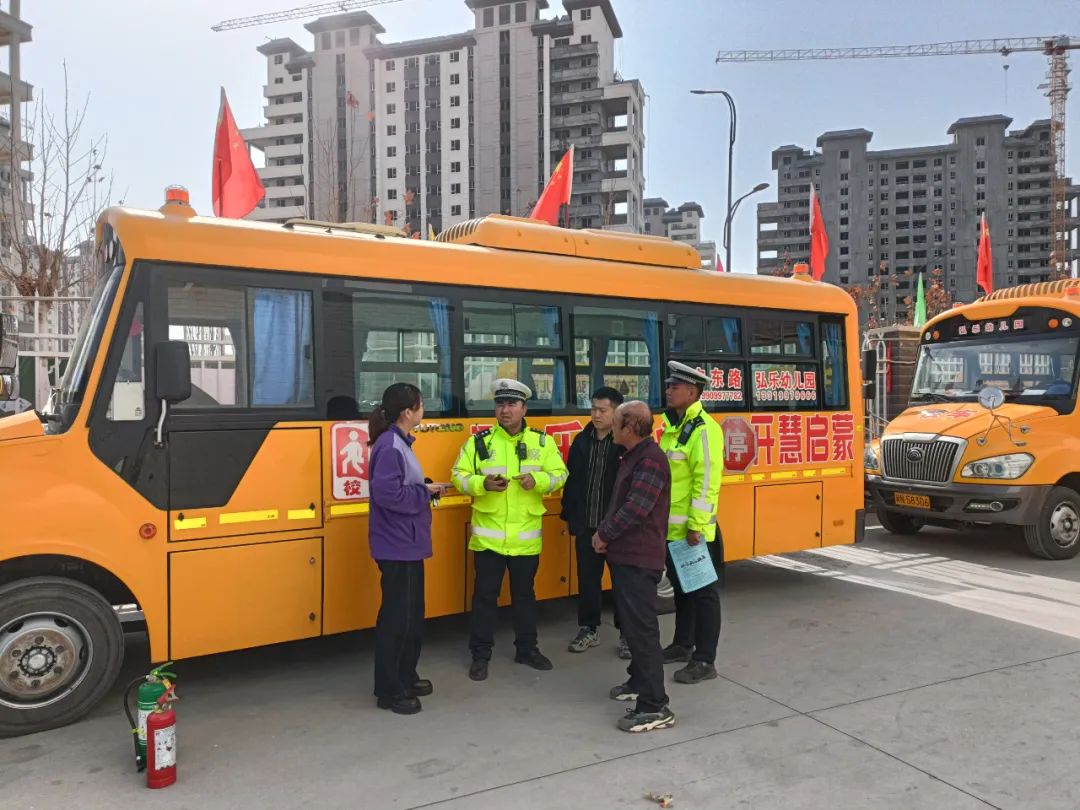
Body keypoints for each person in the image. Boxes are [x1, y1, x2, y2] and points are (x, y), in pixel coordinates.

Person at [452, 378, 568, 681]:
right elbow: (458, 476)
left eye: (512, 404)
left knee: (525, 597)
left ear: (524, 408)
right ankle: (480, 654)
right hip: (488, 539)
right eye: (500, 404)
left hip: (525, 539)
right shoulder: (479, 443)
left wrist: (538, 482)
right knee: (484, 598)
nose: (505, 410)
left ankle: (527, 649)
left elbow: (560, 475)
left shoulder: (541, 443)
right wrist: (481, 484)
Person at [592, 401, 674, 732]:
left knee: (642, 631)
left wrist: (604, 534)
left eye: (616, 421)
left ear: (630, 427)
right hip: (626, 556)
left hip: (639, 559)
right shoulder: (634, 456)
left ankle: (655, 705)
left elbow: (635, 509)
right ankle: (638, 681)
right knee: (632, 625)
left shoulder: (651, 461)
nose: (609, 424)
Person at [366, 382, 447, 715]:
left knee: (412, 616)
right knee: (398, 619)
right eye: (420, 404)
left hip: (408, 543)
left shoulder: (401, 442)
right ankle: (390, 690)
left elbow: (403, 485)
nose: (423, 409)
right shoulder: (389, 445)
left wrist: (425, 486)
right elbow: (388, 496)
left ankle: (406, 675)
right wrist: (424, 494)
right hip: (397, 545)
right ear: (407, 412)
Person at [659, 361, 725, 685]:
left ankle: (705, 659)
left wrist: (697, 526)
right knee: (683, 592)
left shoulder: (704, 429)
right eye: (669, 385)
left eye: (674, 386)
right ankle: (682, 644)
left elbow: (707, 482)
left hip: (693, 532)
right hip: (672, 529)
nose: (668, 390)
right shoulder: (673, 427)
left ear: (692, 391)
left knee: (703, 595)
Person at [561, 386, 628, 656]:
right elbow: (572, 482)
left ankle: (626, 634)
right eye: (593, 409)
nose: (596, 414)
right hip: (587, 524)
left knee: (623, 583)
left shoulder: (624, 443)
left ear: (616, 413)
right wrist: (568, 517)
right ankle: (589, 628)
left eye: (602, 410)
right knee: (587, 580)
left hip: (617, 528)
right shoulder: (581, 441)